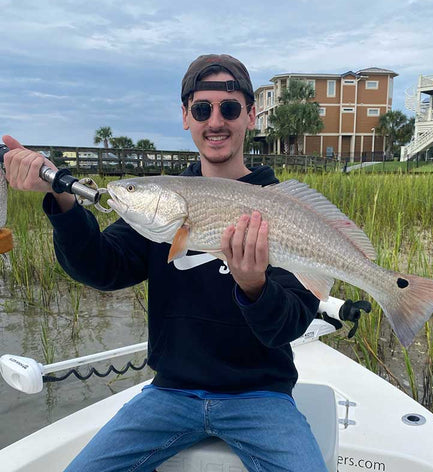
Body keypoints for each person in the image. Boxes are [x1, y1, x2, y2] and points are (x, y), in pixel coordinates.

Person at [3, 54, 328, 471]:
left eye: (229, 109)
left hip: (262, 396)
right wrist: (64, 199)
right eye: (201, 109)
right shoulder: (162, 210)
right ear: (185, 117)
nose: (215, 121)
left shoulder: (278, 207)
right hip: (170, 394)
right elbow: (102, 268)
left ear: (250, 115)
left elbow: (291, 324)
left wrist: (254, 286)